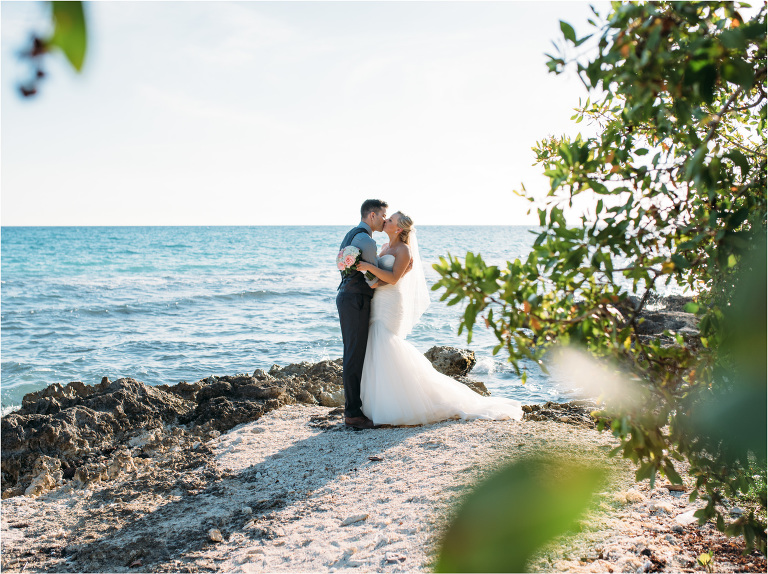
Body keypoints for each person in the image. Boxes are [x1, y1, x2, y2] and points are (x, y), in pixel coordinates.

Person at [356, 212, 523, 426]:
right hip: (379, 300)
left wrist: (369, 267)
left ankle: (399, 406)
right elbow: (385, 279)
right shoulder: (385, 248)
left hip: (392, 305)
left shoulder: (404, 250)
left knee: (387, 343)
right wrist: (373, 282)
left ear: (398, 229)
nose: (385, 220)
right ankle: (378, 404)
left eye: (390, 220)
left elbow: (394, 278)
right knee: (377, 347)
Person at [336, 199, 388, 429]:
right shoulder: (366, 240)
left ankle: (353, 409)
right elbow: (373, 280)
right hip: (356, 299)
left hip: (345, 296)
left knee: (352, 353)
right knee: (354, 355)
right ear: (373, 215)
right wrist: (396, 279)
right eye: (383, 215)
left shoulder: (350, 234)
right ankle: (353, 414)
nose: (385, 220)